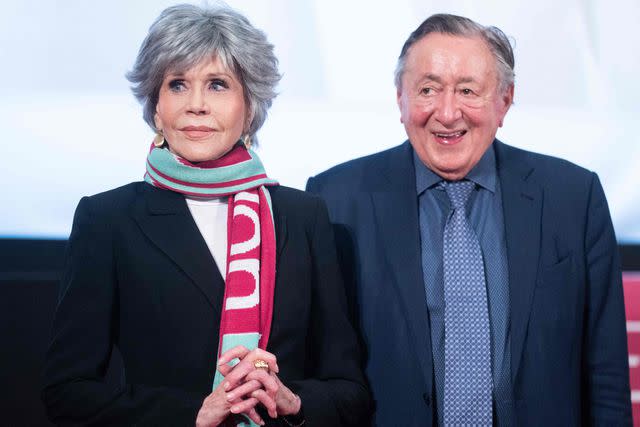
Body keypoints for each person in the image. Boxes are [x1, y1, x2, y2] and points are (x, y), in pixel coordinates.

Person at [42, 4, 370, 426]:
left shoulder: (303, 216)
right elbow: (67, 393)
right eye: (177, 84)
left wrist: (294, 402)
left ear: (249, 106)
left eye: (217, 85)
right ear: (156, 107)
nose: (196, 104)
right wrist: (193, 415)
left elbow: (350, 391)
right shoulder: (107, 220)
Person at [307, 13, 632, 426]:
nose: (447, 113)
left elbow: (605, 379)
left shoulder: (573, 197)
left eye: (467, 91)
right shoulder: (335, 200)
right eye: (428, 89)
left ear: (505, 101)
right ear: (400, 99)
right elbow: (322, 372)